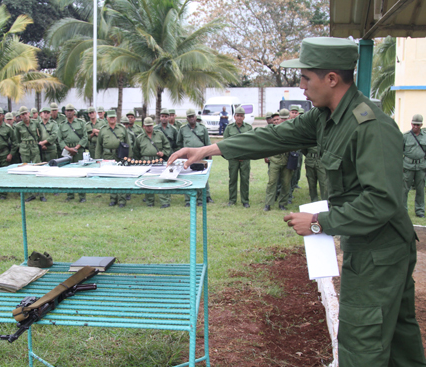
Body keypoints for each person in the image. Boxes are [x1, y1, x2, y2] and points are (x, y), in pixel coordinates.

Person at [168, 37, 426, 367]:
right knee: (399, 341)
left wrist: (320, 223)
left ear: (331, 79)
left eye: (306, 78)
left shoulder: (370, 126)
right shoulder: (325, 117)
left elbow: (382, 201)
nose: (300, 87)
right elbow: (274, 136)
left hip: (381, 251)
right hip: (371, 246)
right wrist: (207, 150)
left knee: (361, 344)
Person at [95, 110, 131, 207]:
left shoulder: (122, 129)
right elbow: (98, 146)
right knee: (111, 177)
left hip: (120, 156)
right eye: (110, 117)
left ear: (116, 118)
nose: (112, 119)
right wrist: (98, 158)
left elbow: (128, 143)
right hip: (108, 156)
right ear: (107, 118)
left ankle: (122, 200)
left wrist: (129, 157)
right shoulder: (103, 130)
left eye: (113, 117)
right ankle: (113, 199)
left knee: (121, 177)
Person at [133, 117, 172, 208]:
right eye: (147, 126)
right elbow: (136, 152)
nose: (149, 127)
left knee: (161, 180)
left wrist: (163, 153)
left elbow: (167, 146)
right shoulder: (140, 138)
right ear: (143, 126)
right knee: (147, 181)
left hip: (158, 161)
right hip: (145, 162)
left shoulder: (159, 134)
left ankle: (165, 201)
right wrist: (141, 161)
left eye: (151, 125)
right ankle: (149, 201)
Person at [177, 108, 213, 206]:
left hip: (200, 157)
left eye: (193, 116)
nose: (191, 118)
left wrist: (209, 158)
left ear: (195, 117)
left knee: (201, 177)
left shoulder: (202, 128)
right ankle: (188, 200)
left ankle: (201, 199)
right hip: (188, 158)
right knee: (187, 177)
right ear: (187, 118)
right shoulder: (183, 129)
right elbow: (179, 143)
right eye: (189, 117)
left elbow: (208, 144)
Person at [14, 106, 46, 202]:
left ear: (29, 113)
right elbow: (17, 139)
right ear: (20, 116)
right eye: (22, 114)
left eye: (26, 113)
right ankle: (30, 194)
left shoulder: (35, 123)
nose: (24, 116)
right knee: (26, 171)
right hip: (24, 148)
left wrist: (38, 142)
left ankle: (41, 194)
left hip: (34, 147)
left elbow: (41, 133)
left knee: (38, 170)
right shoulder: (18, 126)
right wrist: (22, 145)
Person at [263, 110, 292, 211]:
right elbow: (265, 144)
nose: (275, 121)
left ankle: (282, 203)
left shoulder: (289, 129)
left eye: (277, 119)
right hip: (274, 159)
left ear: (282, 119)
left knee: (286, 182)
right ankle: (268, 203)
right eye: (274, 119)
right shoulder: (270, 131)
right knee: (272, 182)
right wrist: (266, 155)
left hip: (287, 159)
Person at [59, 104, 88, 202]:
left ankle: (82, 196)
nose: (69, 112)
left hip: (78, 150)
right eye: (67, 110)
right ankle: (70, 195)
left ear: (74, 112)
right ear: (65, 112)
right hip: (67, 152)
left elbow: (85, 137)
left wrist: (76, 148)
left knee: (80, 173)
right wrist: (68, 148)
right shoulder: (62, 125)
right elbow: (60, 140)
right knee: (68, 173)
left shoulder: (81, 123)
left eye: (71, 110)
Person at [223, 107, 252, 207]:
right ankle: (232, 200)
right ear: (234, 117)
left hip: (245, 158)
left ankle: (245, 201)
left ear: (244, 117)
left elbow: (251, 143)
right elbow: (225, 143)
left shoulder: (248, 128)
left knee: (245, 180)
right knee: (232, 179)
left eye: (241, 116)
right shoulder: (229, 128)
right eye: (237, 115)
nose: (239, 117)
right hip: (233, 158)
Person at [403, 114, 426, 218]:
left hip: (421, 166)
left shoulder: (424, 136)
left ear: (421, 125)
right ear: (411, 124)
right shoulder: (406, 136)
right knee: (404, 189)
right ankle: (403, 210)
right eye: (414, 124)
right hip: (408, 166)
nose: (415, 126)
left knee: (420, 189)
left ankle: (420, 210)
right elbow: (399, 151)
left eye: (417, 124)